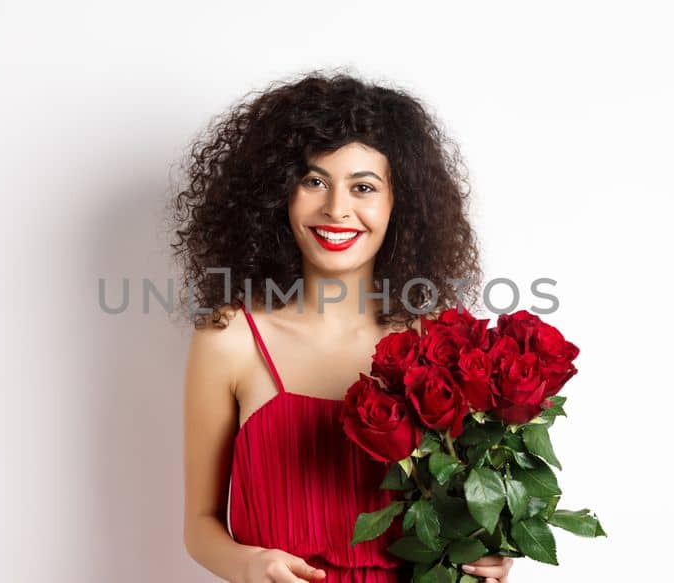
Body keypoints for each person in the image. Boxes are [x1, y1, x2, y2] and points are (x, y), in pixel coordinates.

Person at [175, 71, 515, 583]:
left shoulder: (439, 344)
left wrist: (490, 551)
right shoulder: (231, 339)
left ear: (399, 205)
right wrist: (247, 563)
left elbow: (464, 508)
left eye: (363, 187)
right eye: (314, 181)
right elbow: (199, 525)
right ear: (277, 195)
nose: (336, 209)